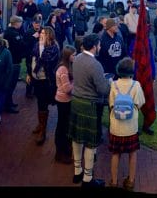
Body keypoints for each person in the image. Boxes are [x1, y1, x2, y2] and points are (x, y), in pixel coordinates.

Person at [69, 33, 111, 187]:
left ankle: (77, 171)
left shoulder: (77, 58)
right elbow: (102, 90)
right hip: (89, 105)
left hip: (76, 102)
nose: (100, 47)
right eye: (99, 45)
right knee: (90, 143)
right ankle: (87, 179)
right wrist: (109, 83)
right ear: (94, 46)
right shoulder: (95, 64)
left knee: (77, 139)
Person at [108, 58, 145, 190]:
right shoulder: (136, 85)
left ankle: (113, 181)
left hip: (116, 128)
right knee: (132, 153)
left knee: (115, 154)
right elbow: (140, 103)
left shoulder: (113, 85)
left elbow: (111, 104)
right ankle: (131, 181)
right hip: (131, 127)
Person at [29, 26, 60, 146]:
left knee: (43, 103)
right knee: (39, 102)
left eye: (44, 33)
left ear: (50, 36)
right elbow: (31, 58)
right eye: (41, 32)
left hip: (46, 80)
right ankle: (40, 123)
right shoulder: (37, 45)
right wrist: (29, 73)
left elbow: (46, 60)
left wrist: (42, 47)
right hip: (36, 79)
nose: (41, 35)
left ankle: (43, 130)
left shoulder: (53, 48)